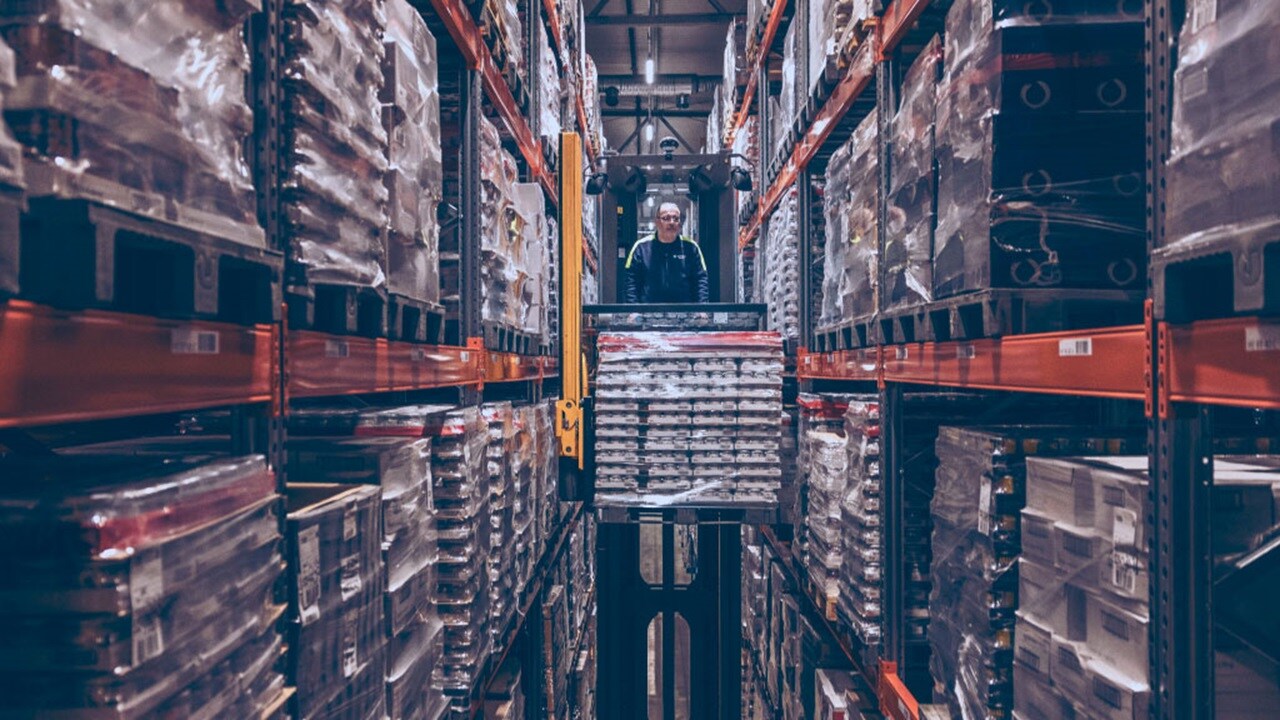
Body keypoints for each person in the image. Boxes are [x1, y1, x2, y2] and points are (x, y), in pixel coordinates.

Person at [623, 201, 710, 303]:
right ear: (657, 221)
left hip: (685, 311)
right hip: (648, 311)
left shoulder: (691, 247)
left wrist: (702, 307)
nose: (672, 222)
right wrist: (633, 310)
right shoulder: (641, 248)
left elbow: (701, 280)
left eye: (676, 218)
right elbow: (630, 281)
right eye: (666, 218)